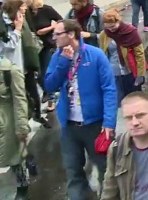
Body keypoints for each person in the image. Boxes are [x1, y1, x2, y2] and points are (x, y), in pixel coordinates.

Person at [44, 19, 117, 200]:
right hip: (69, 126)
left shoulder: (95, 55)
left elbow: (109, 89)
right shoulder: (58, 56)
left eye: (57, 34)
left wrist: (109, 123)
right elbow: (49, 85)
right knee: (73, 172)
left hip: (95, 124)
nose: (54, 38)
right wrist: (63, 62)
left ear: (71, 35)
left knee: (104, 169)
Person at [98, 9, 147, 105]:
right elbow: (103, 53)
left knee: (133, 100)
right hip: (113, 73)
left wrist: (140, 74)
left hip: (130, 72)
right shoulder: (104, 35)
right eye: (108, 27)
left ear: (118, 21)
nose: (111, 29)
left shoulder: (130, 32)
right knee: (118, 101)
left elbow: (140, 55)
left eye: (113, 26)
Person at [25, 0, 61, 112]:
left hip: (46, 45)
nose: (27, 1)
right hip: (33, 46)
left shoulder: (46, 9)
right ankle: (48, 91)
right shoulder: (27, 13)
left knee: (45, 72)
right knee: (38, 74)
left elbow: (60, 21)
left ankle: (52, 99)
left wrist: (49, 28)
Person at [0, 58, 31, 199]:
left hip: (8, 120)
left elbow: (20, 99)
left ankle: (22, 186)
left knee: (15, 157)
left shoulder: (9, 71)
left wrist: (21, 127)